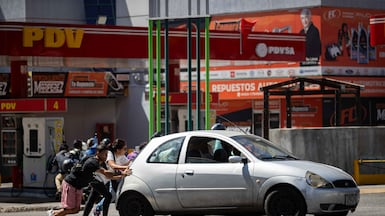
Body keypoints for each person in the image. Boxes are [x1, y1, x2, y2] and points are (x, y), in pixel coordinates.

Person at [47, 144, 115, 216]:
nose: (106, 156)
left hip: (78, 186)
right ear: (98, 152)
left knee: (76, 209)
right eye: (105, 154)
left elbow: (108, 175)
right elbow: (106, 173)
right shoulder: (93, 162)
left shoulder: (96, 160)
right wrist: (120, 170)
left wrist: (122, 174)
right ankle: (53, 214)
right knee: (69, 209)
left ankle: (53, 213)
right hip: (71, 184)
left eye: (107, 154)